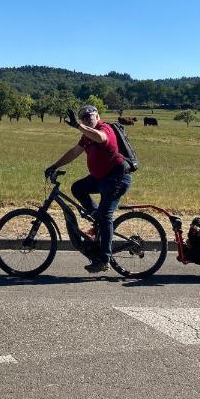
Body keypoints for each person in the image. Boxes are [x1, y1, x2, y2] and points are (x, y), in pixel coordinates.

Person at [44, 104, 132, 274]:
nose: (85, 118)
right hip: (101, 178)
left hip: (117, 179)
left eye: (89, 115)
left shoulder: (104, 128)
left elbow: (101, 138)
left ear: (97, 116)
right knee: (77, 188)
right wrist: (54, 166)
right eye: (82, 117)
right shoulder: (86, 137)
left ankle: (104, 259)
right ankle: (96, 218)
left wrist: (78, 126)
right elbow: (74, 152)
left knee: (106, 215)